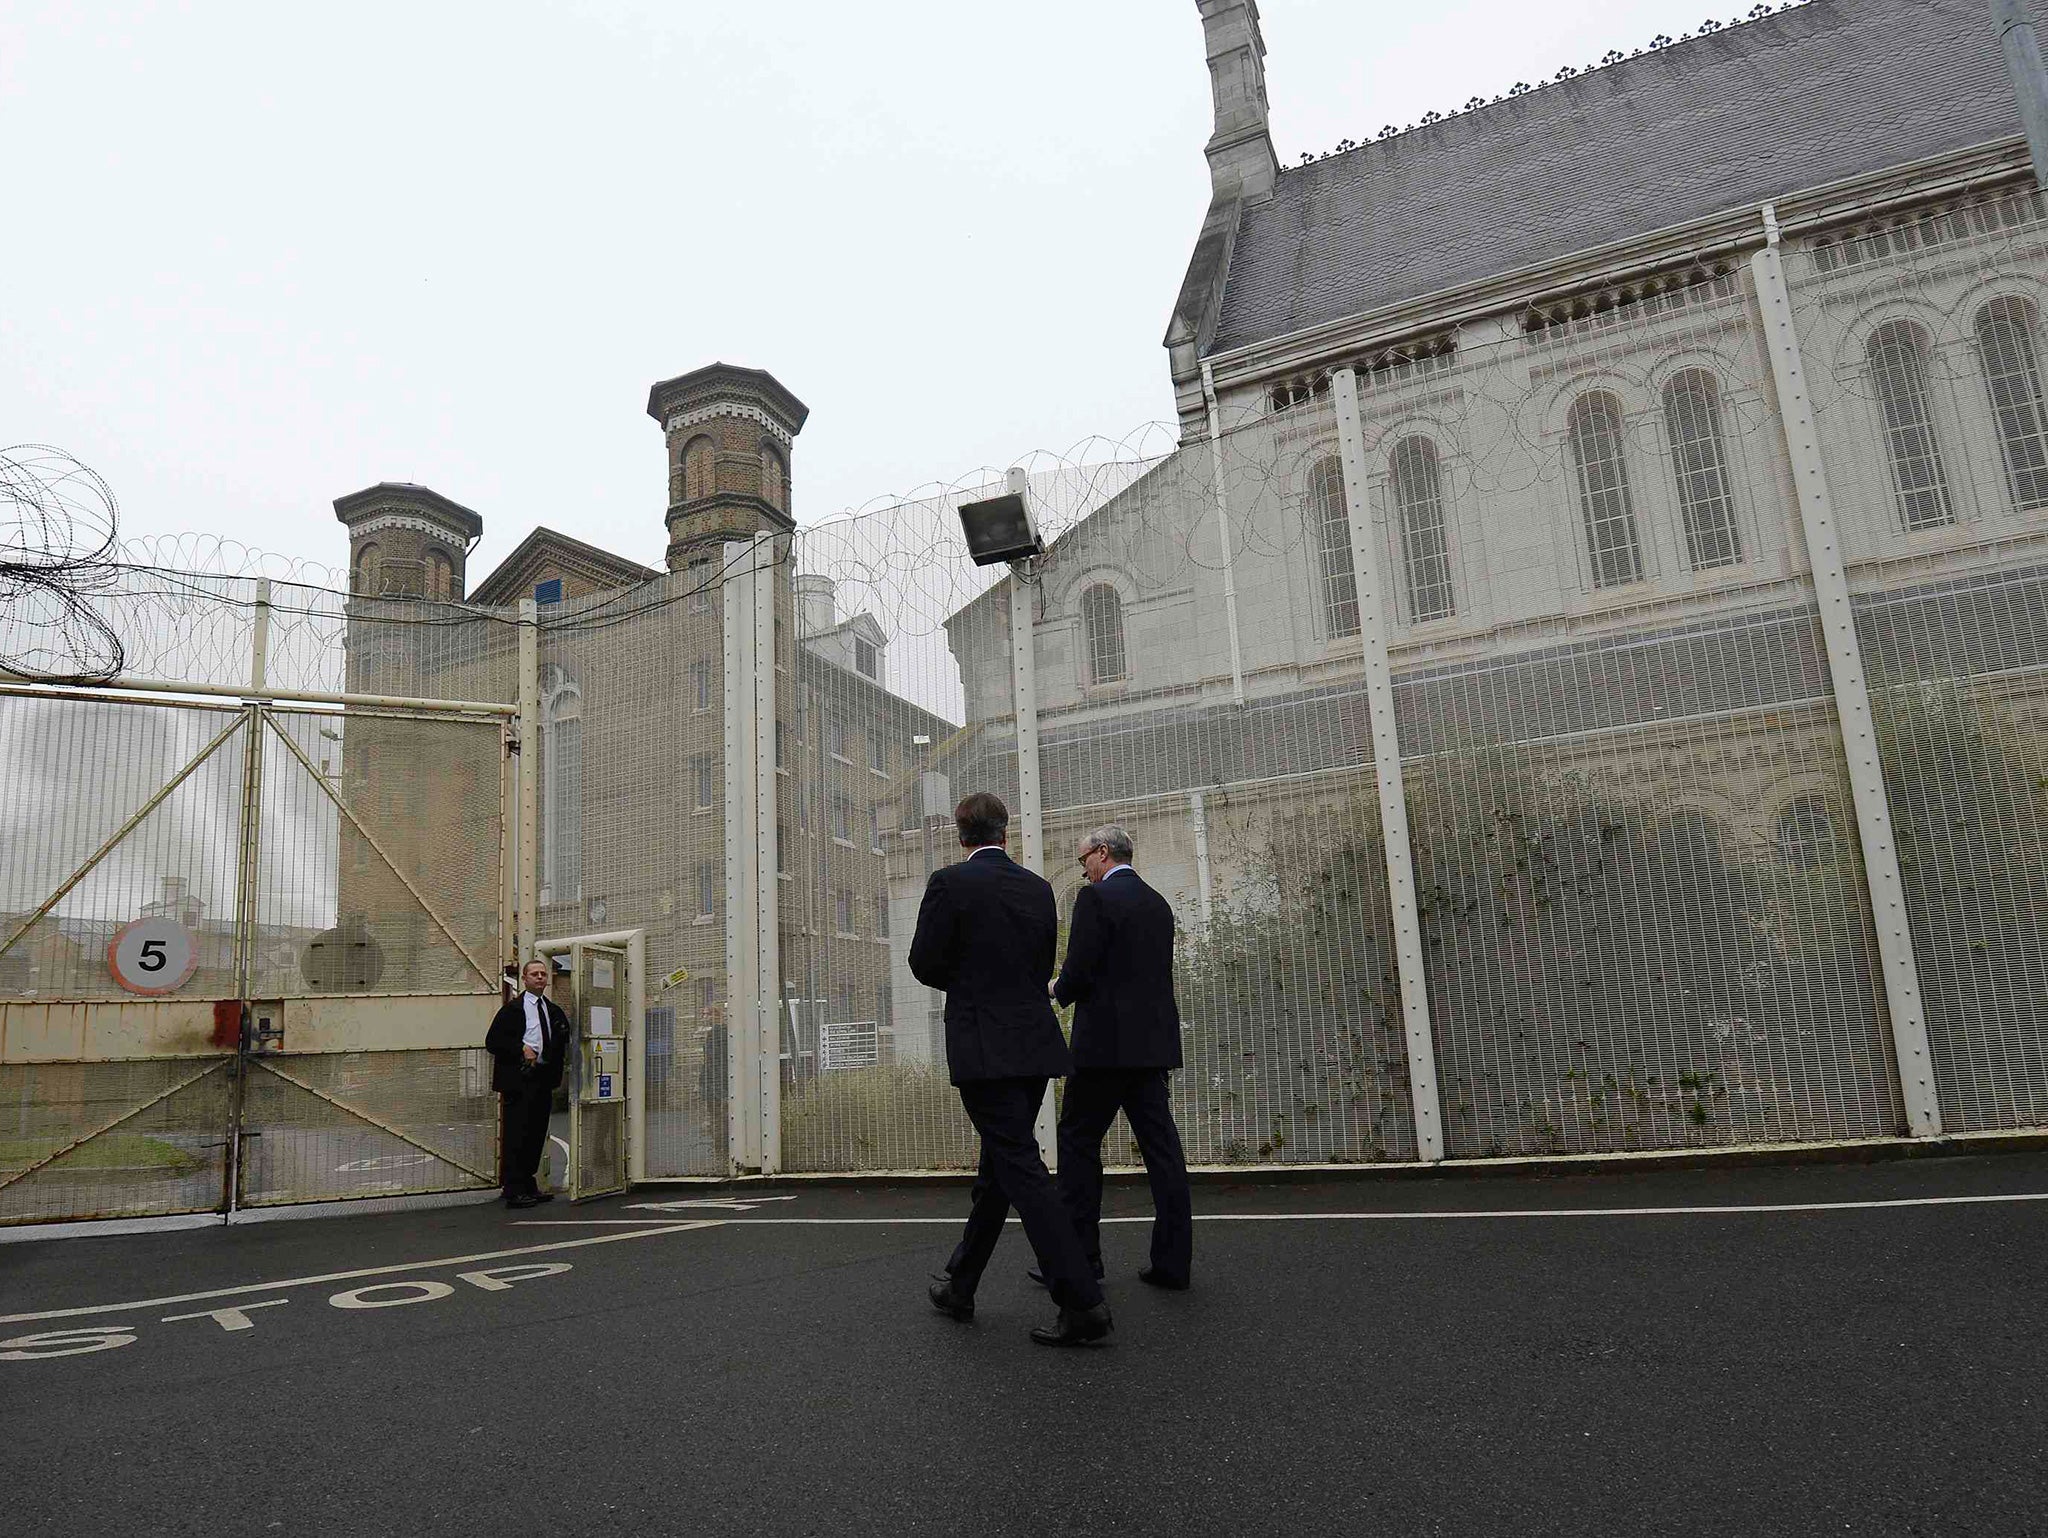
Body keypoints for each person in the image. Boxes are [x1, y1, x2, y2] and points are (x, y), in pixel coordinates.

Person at [911, 792, 1113, 1347]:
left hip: (983, 1046)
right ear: (1006, 832)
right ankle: (961, 1283)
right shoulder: (1038, 888)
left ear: (961, 833)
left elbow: (923, 963)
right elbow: (1041, 965)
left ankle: (1081, 1299)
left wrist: (970, 978)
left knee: (1020, 1168)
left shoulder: (949, 883)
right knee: (1000, 1168)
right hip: (1033, 1045)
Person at [1047, 824, 1193, 1291]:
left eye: (1083, 860)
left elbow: (1080, 972)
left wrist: (1054, 988)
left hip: (1102, 1050)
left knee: (1078, 1143)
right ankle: (1173, 1263)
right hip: (1151, 1049)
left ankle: (1081, 1261)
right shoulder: (1158, 903)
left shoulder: (1094, 901)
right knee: (1162, 1152)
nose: (1083, 870)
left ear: (1103, 853)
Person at [485, 958, 570, 1209]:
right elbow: (493, 1042)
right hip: (518, 1080)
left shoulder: (551, 1009)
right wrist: (521, 1049)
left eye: (543, 974)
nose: (540, 977)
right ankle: (513, 1188)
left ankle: (528, 1183)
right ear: (525, 979)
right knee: (516, 1135)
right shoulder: (513, 1009)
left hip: (542, 1080)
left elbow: (560, 1037)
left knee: (536, 1135)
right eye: (534, 974)